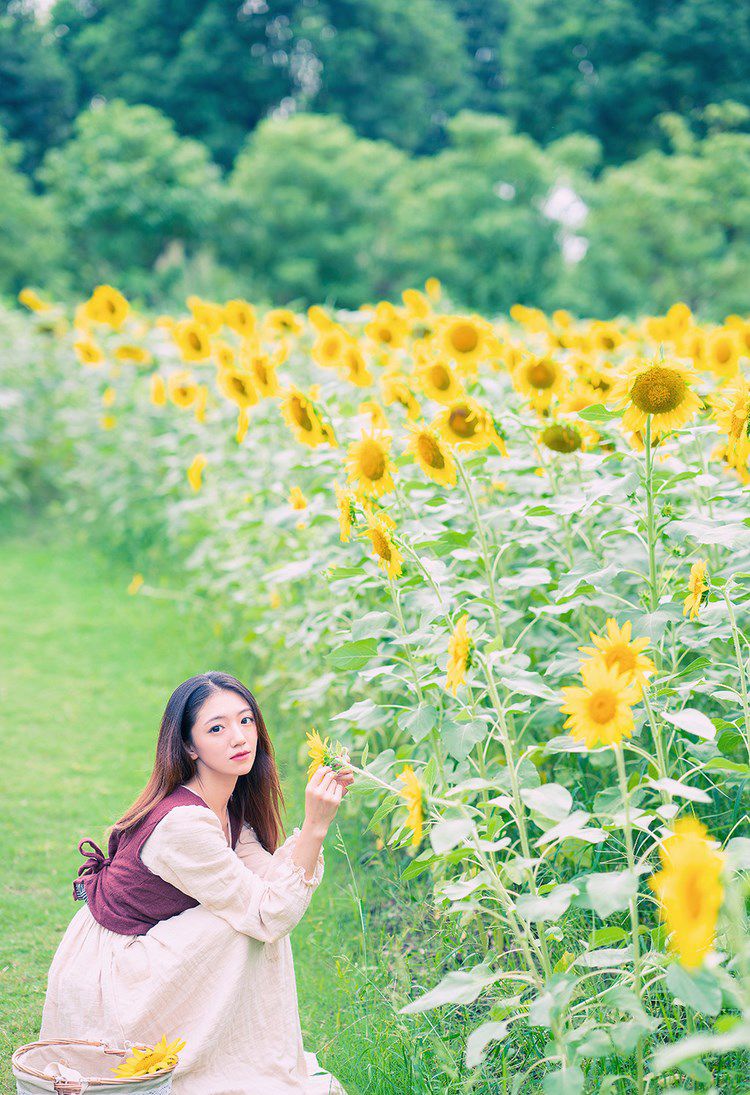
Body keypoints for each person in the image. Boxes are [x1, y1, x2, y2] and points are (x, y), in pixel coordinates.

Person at [38, 670, 354, 1094]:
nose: (239, 738)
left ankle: (252, 1058)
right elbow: (269, 915)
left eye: (245, 721)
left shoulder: (226, 804)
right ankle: (245, 1063)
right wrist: (314, 827)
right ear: (189, 746)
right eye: (217, 729)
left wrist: (316, 821)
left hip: (147, 945)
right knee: (242, 925)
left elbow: (270, 884)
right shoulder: (184, 824)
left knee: (246, 916)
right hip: (114, 974)